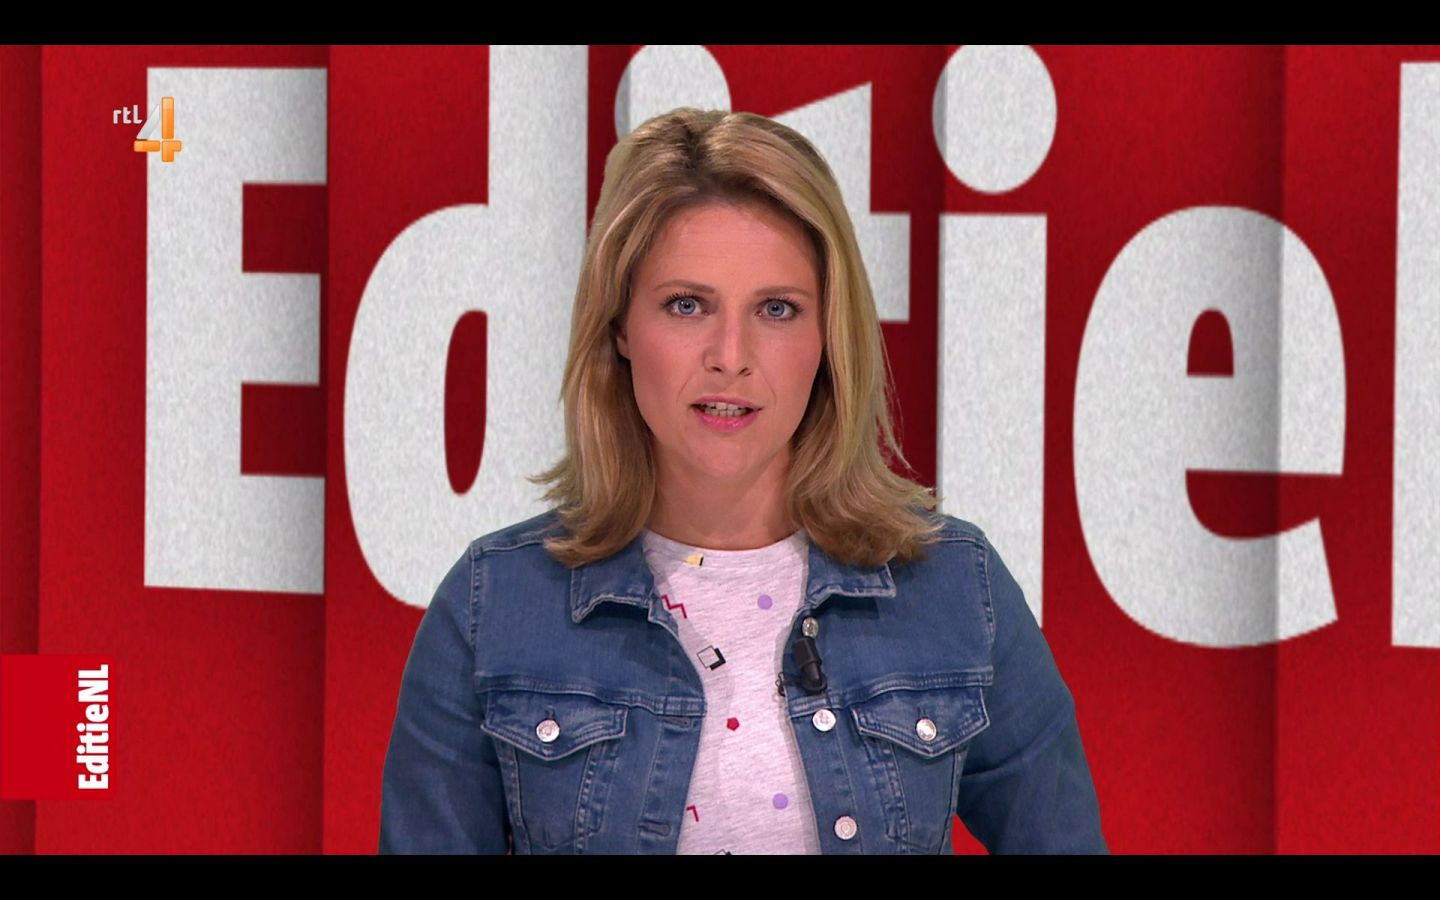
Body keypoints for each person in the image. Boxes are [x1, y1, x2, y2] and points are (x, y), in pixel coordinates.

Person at [378, 107, 1107, 855]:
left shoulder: (954, 586)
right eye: (687, 305)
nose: (731, 355)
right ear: (620, 325)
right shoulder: (494, 605)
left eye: (777, 309)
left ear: (828, 337)